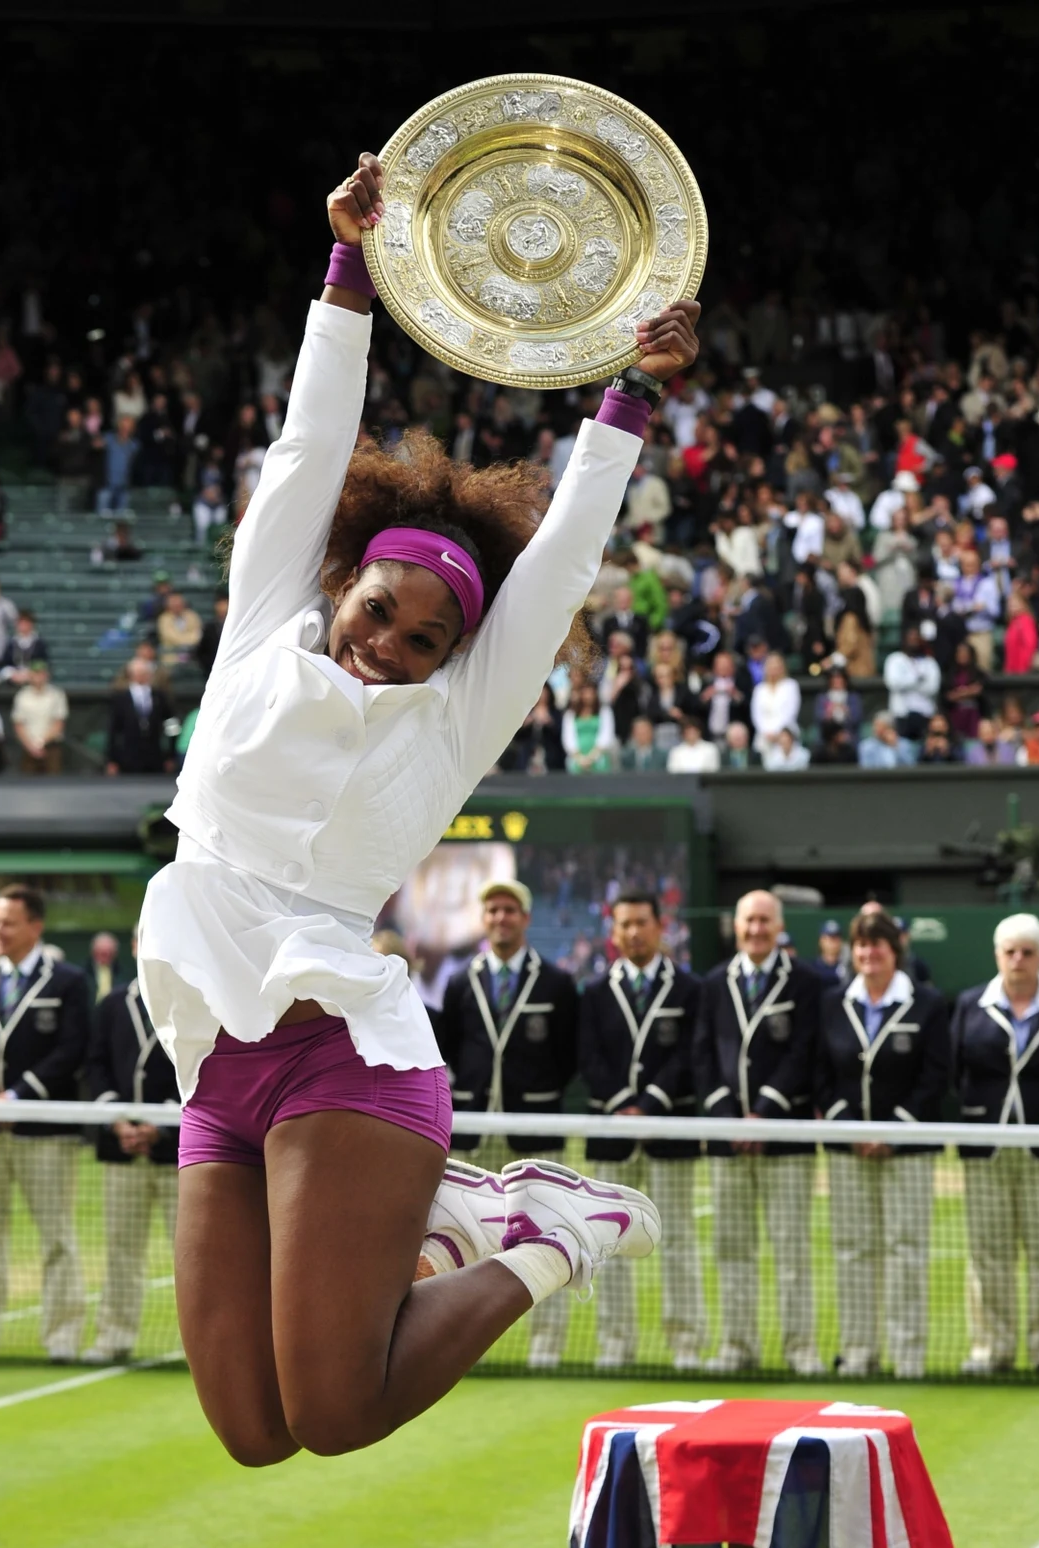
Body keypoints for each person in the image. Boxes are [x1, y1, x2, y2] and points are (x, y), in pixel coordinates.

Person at [137, 154, 693, 1462]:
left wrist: (629, 398)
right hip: (219, 1055)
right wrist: (348, 268)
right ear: (344, 586)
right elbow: (308, 446)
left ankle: (553, 1232)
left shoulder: (453, 718)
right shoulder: (267, 625)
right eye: (382, 609)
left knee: (335, 1415)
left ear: (458, 658)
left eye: (428, 637)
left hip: (346, 1055)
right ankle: (446, 1219)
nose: (391, 640)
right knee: (252, 1430)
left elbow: (556, 567)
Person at [0, 885, 91, 1362]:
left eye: (8, 922)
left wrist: (20, 1095)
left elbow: (73, 1049)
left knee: (56, 1238)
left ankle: (62, 1339)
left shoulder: (67, 981)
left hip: (44, 1130)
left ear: (35, 927)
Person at [693, 888, 823, 1374]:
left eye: (765, 921)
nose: (755, 930)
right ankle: (737, 1347)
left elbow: (803, 1052)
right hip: (727, 1142)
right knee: (732, 1249)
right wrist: (728, 1114)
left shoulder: (807, 982)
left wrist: (766, 1110)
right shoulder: (713, 983)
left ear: (779, 925)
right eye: (748, 921)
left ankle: (800, 1350)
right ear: (736, 925)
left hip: (784, 1139)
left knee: (791, 1250)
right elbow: (702, 1055)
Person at [815, 909, 949, 1378]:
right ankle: (858, 1353)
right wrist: (851, 1129)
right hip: (847, 1150)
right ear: (852, 952)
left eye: (879, 945)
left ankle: (908, 1356)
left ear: (896, 952)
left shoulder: (928, 1004)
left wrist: (893, 1130)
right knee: (852, 1249)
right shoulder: (833, 1002)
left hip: (907, 1149)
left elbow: (935, 1076)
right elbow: (821, 1076)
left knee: (906, 1248)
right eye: (862, 945)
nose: (869, 953)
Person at [576, 892, 706, 1370]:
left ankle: (687, 1344)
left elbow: (690, 1055)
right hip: (610, 1132)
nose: (634, 932)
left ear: (659, 927)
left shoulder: (690, 990)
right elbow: (588, 1056)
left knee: (679, 1241)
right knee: (606, 1245)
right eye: (625, 924)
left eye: (642, 923)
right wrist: (621, 1107)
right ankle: (616, 1344)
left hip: (670, 1131)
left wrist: (649, 1106)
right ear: (614, 932)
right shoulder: (593, 992)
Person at [951, 913, 1039, 1378]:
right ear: (997, 955)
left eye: (1027, 952)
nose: (1018, 960)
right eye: (1010, 952)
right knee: (988, 1255)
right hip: (987, 1148)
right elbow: (958, 1072)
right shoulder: (969, 1005)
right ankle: (990, 1350)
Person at [439, 879, 579, 1171]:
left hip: (536, 1126)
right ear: (483, 918)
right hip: (473, 1124)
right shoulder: (460, 982)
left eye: (509, 910)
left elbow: (568, 1053)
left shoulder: (556, 982)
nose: (500, 917)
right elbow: (448, 1046)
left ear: (525, 918)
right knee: (470, 1218)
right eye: (493, 910)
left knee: (539, 1215)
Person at [87, 934, 180, 1362]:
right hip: (121, 1149)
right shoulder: (111, 1006)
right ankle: (114, 1335)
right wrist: (119, 1120)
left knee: (191, 1254)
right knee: (120, 1249)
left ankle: (197, 1345)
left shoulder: (197, 999)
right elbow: (95, 1065)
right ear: (133, 944)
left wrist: (162, 1125)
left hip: (180, 1150)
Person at [106, 655, 174, 774]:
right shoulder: (120, 698)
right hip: (128, 758)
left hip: (156, 757)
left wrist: (170, 754)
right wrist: (112, 759)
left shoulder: (159, 697)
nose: (141, 675)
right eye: (138, 672)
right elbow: (113, 730)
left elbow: (171, 725)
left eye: (144, 672)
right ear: (131, 674)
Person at [11, 661, 67, 774]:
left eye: (41, 673)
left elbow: (58, 723)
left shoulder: (56, 694)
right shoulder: (22, 696)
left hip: (51, 747)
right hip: (28, 748)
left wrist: (41, 742)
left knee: (53, 784)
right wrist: (31, 746)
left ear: (47, 675)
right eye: (35, 673)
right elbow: (18, 724)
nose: (38, 677)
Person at [811, 918, 850, 985]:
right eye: (830, 937)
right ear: (821, 940)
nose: (834, 942)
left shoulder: (848, 967)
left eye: (837, 937)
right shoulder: (812, 968)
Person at [86, 931, 120, 1003]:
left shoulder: (122, 972)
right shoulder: (83, 972)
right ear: (93, 952)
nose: (105, 957)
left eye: (109, 953)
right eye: (102, 953)